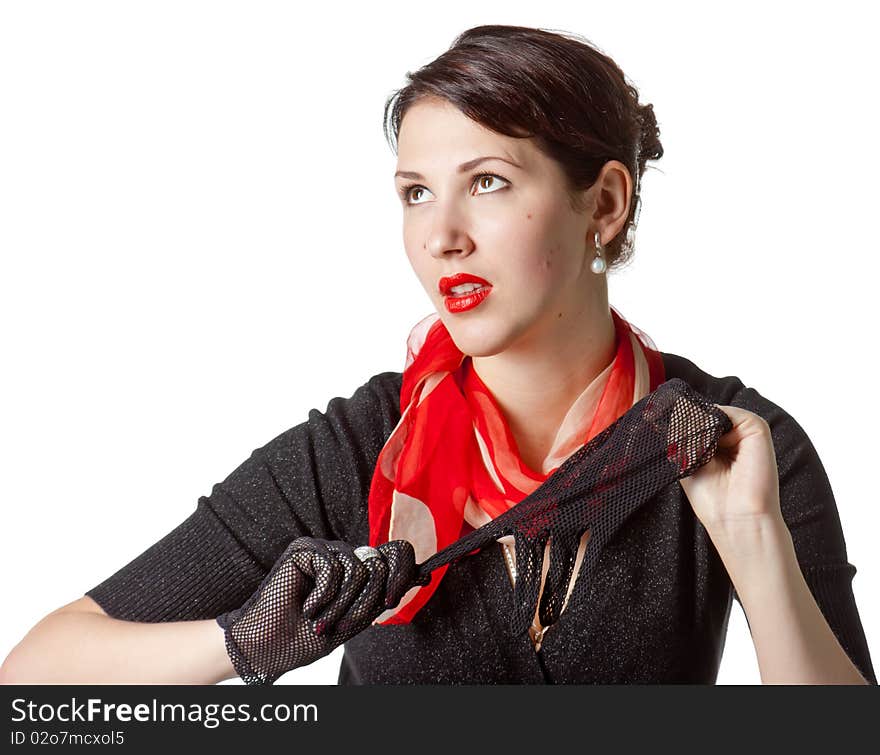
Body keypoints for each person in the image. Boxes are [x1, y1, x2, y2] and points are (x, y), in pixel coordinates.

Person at [0, 24, 875, 685]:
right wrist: (239, 642)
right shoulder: (354, 448)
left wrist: (751, 535)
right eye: (416, 193)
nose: (441, 236)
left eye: (487, 182)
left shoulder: (733, 442)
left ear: (604, 203)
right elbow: (34, 672)